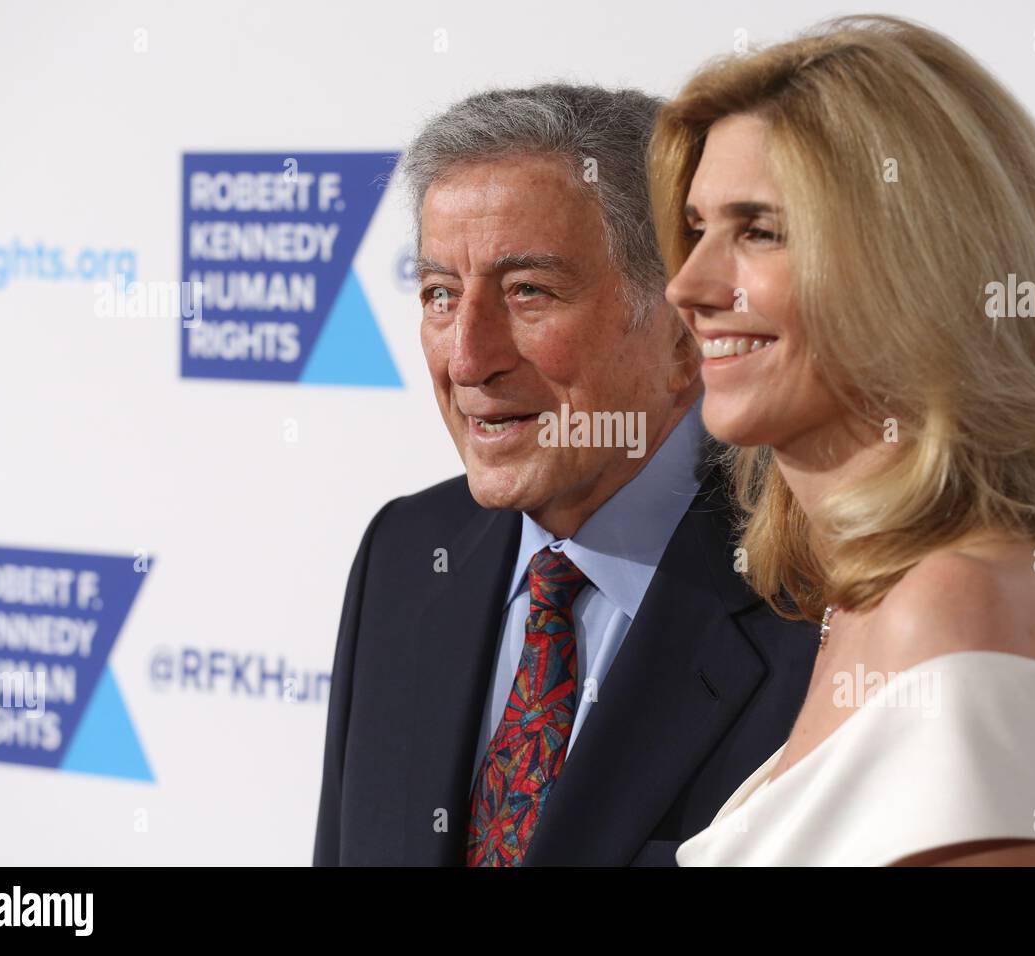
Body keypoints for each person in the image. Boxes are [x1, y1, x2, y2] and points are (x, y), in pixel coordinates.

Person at [647, 15, 1035, 866]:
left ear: (912, 265)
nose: (688, 284)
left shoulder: (955, 607)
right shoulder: (893, 599)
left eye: (758, 230)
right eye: (695, 228)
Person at [312, 84, 818, 866]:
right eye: (440, 294)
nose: (469, 358)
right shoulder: (405, 554)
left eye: (528, 293)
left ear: (684, 332)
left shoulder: (821, 603)